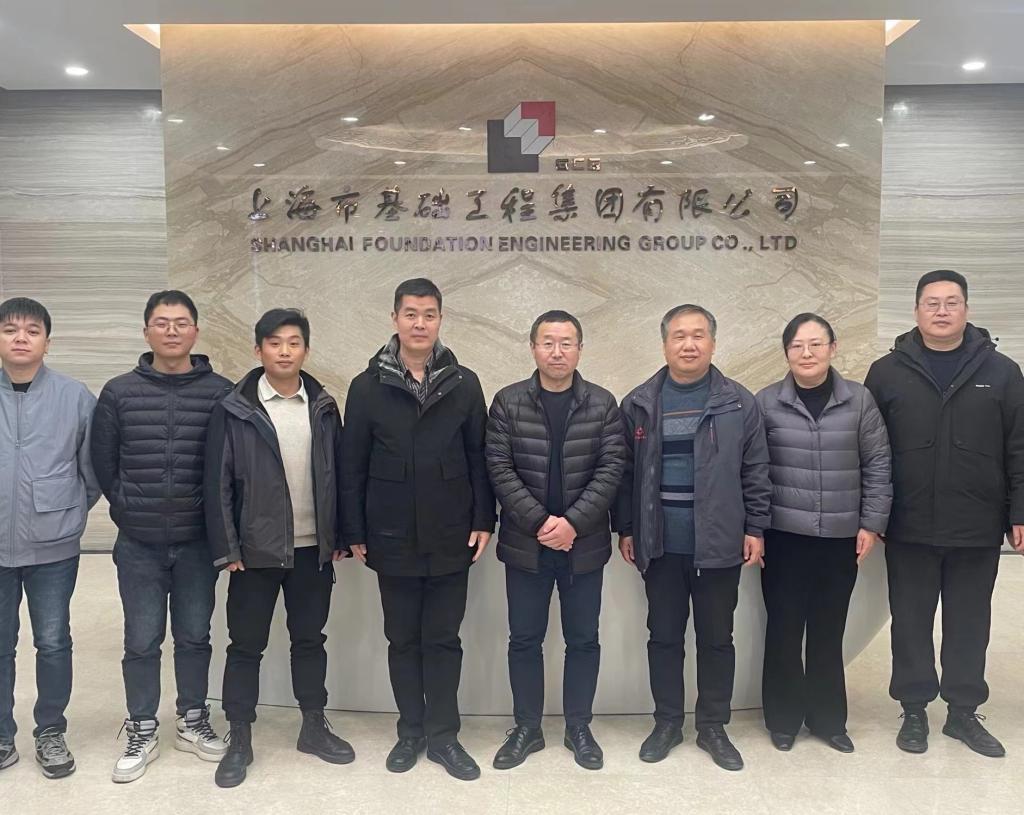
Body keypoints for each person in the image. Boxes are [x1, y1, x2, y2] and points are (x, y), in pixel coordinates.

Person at [865, 270, 1024, 758]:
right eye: (931, 302)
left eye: (951, 302)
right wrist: (873, 515)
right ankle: (913, 709)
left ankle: (962, 713)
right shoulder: (886, 373)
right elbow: (869, 452)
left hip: (977, 522)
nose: (941, 311)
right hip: (908, 523)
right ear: (916, 311)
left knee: (969, 622)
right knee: (910, 622)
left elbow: (1019, 447)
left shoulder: (1003, 372)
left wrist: (1019, 511)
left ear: (966, 310)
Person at [341, 278, 495, 781]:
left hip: (452, 533)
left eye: (429, 314)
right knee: (403, 640)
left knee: (444, 639)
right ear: (395, 319)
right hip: (390, 535)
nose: (420, 323)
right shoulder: (367, 386)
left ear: (440, 320)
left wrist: (483, 519)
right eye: (411, 314)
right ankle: (410, 732)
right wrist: (353, 528)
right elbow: (352, 465)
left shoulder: (464, 383)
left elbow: (480, 456)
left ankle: (444, 737)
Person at [612, 304, 770, 771]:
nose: (689, 344)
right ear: (664, 344)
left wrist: (755, 527)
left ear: (713, 343)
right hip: (659, 544)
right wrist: (627, 528)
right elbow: (624, 474)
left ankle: (713, 726)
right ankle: (666, 723)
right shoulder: (639, 402)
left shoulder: (738, 402)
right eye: (679, 336)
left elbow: (756, 469)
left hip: (719, 543)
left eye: (698, 335)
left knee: (717, 639)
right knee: (663, 637)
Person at [204, 308, 351, 788]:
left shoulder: (323, 406)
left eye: (293, 343)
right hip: (255, 553)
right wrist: (228, 547)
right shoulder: (234, 408)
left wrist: (338, 536)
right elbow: (217, 483)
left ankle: (313, 726)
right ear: (258, 349)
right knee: (246, 646)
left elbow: (339, 475)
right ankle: (239, 736)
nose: (284, 351)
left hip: (312, 551)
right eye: (274, 343)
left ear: (306, 349)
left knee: (310, 641)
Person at [91, 290, 232, 782]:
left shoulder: (221, 392)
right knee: (141, 639)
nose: (172, 330)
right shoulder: (118, 392)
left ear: (196, 330)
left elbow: (229, 466)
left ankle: (192, 719)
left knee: (195, 635)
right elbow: (104, 462)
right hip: (139, 543)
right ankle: (142, 726)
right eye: (162, 322)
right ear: (146, 330)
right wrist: (127, 505)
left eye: (181, 322)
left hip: (197, 541)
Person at [485, 310, 625, 771]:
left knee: (583, 640)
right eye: (548, 342)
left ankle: (578, 727)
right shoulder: (507, 402)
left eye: (566, 343)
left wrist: (573, 525)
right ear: (533, 348)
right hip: (526, 546)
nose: (557, 352)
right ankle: (527, 728)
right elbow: (499, 469)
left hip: (583, 547)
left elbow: (611, 470)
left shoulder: (603, 404)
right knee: (524, 640)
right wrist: (543, 523)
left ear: (580, 349)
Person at [755, 313, 891, 753]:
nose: (807, 353)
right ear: (786, 353)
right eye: (797, 345)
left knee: (828, 632)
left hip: (839, 537)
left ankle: (828, 720)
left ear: (833, 348)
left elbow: (878, 464)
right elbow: (752, 471)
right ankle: (783, 719)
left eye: (816, 344)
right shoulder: (766, 402)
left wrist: (871, 522)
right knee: (783, 630)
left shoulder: (859, 401)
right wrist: (754, 527)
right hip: (784, 537)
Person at [0, 297, 100, 778]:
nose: (21, 337)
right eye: (10, 329)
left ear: (47, 341)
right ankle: (2, 734)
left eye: (32, 330)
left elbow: (93, 471)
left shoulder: (75, 396)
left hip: (53, 546)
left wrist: (69, 512)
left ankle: (51, 731)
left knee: (54, 641)